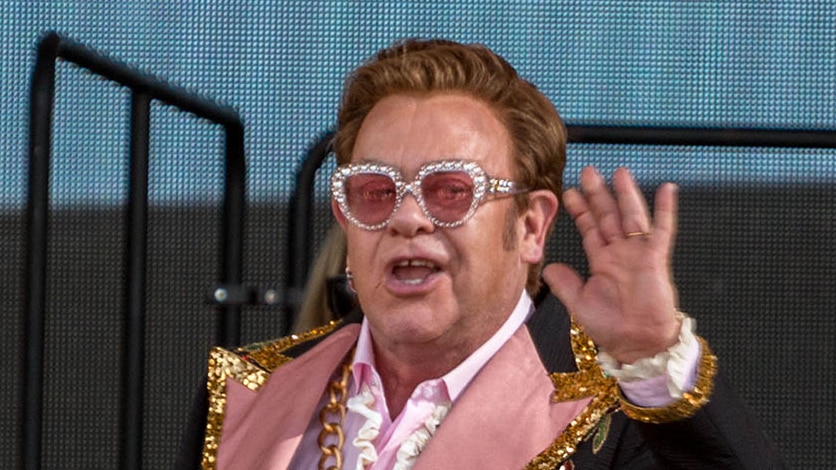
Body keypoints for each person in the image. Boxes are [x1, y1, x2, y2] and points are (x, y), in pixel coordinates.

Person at [178, 39, 785, 469]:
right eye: (376, 192)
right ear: (347, 219)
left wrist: (653, 358)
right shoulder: (248, 391)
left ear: (529, 227)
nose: (408, 217)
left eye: (450, 191)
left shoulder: (621, 413)